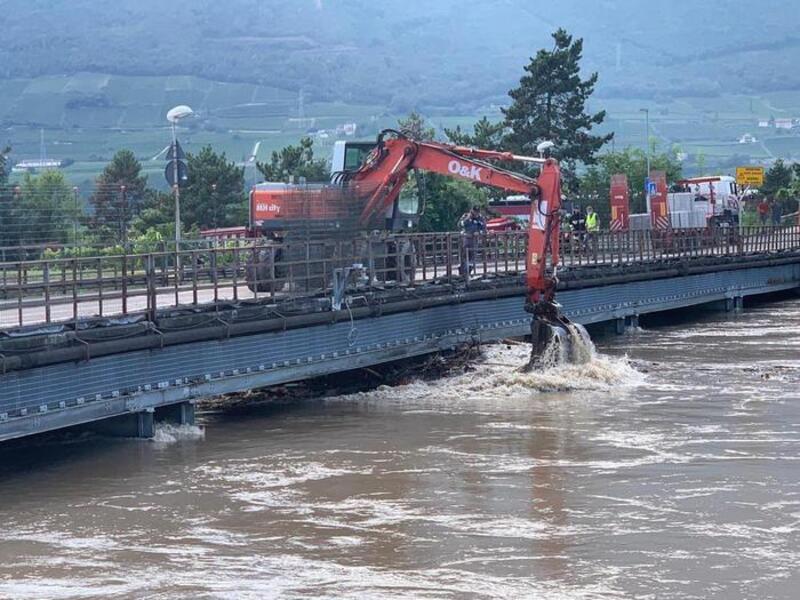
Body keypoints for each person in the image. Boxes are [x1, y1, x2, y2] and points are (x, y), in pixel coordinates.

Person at [459, 205, 486, 276]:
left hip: (474, 240)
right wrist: (467, 219)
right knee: (464, 255)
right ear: (472, 210)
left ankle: (469, 272)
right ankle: (462, 272)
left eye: (477, 212)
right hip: (465, 238)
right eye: (475, 211)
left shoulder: (480, 218)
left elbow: (484, 229)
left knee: (473, 256)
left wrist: (479, 232)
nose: (476, 213)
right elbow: (459, 225)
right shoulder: (465, 216)